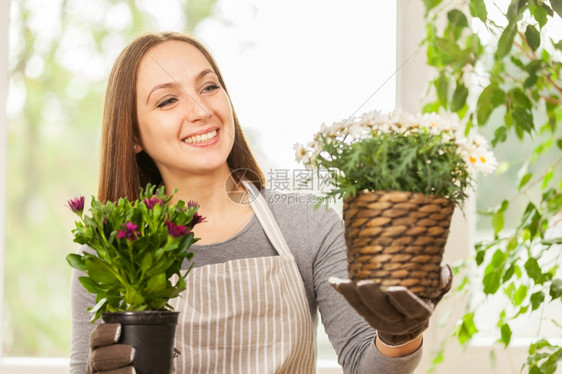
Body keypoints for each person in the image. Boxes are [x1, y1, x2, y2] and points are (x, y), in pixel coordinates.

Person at [70, 31, 452, 374]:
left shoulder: (305, 223)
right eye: (168, 100)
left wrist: (398, 336)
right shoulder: (114, 250)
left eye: (209, 87)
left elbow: (361, 363)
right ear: (133, 134)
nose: (202, 111)